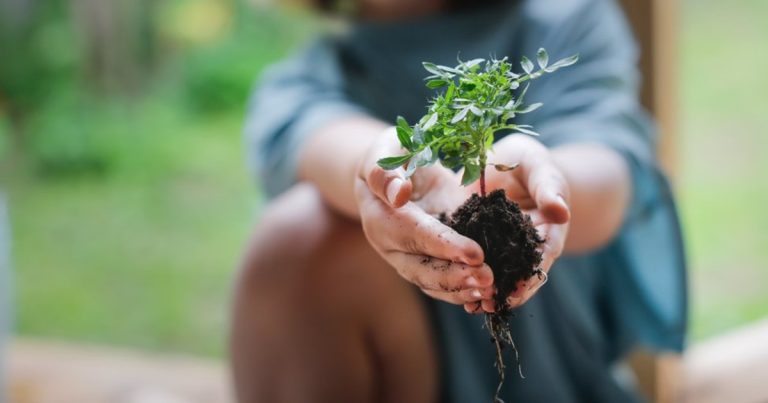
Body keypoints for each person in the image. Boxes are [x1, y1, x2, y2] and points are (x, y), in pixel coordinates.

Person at [231, 0, 687, 402]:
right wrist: (385, 173)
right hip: (398, 364)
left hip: (554, 366)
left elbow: (608, 167)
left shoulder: (565, 17)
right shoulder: (307, 81)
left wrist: (546, 180)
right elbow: (328, 142)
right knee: (296, 231)